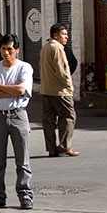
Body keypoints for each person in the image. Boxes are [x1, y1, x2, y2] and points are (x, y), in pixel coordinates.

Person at [0, 33, 34, 211]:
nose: (6, 53)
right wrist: (10, 89)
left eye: (10, 49)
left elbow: (21, 90)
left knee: (22, 159)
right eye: (3, 49)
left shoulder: (25, 68)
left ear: (16, 50)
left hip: (18, 115)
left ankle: (25, 195)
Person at [40, 23, 79, 157]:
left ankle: (51, 148)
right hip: (59, 90)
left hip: (47, 89)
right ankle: (64, 146)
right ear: (56, 36)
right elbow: (62, 71)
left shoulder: (46, 47)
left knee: (49, 119)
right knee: (68, 116)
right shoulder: (57, 48)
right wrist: (69, 86)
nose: (66, 37)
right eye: (64, 34)